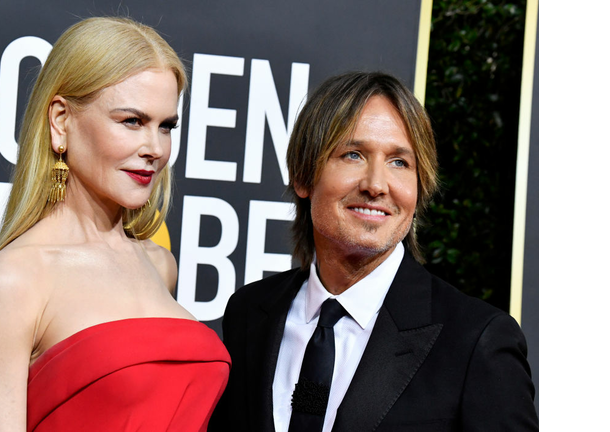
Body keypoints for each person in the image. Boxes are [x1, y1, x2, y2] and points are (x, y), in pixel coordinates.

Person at [209, 71, 537, 431]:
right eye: (353, 155)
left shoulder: (476, 341)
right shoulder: (249, 313)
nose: (376, 185)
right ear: (302, 176)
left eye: (400, 162)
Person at [0, 17, 230, 432]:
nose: (154, 148)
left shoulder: (159, 266)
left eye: (166, 126)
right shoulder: (12, 281)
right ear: (61, 120)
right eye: (131, 121)